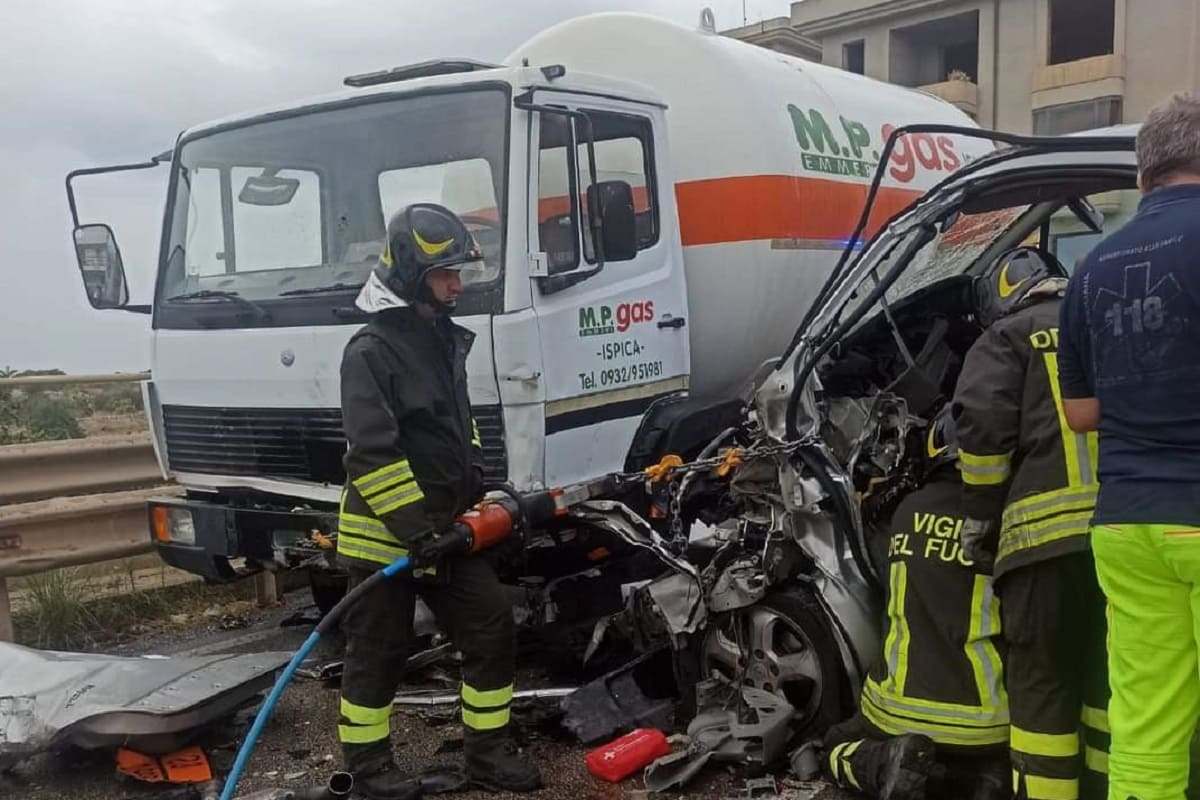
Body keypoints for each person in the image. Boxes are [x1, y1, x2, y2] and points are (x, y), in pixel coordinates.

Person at [334, 204, 541, 799]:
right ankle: (369, 772)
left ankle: (486, 754)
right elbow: (372, 453)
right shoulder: (370, 352)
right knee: (379, 651)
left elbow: (455, 424)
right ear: (409, 275)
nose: (458, 284)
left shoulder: (440, 341)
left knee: (490, 624)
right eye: (446, 274)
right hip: (384, 539)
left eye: (458, 272)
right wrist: (416, 531)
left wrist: (474, 477)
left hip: (446, 531)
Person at [1058, 92, 1200, 800]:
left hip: (1127, 526)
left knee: (1146, 725)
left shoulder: (1091, 268)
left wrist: (1149, 391)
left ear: (1143, 175)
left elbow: (1080, 412)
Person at [953, 246, 1108, 800]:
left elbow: (982, 432)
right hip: (1123, 538)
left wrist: (980, 520)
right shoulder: (1107, 320)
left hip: (1040, 546)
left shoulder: (1005, 337)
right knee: (1110, 683)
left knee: (1042, 685)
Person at [824, 407, 1009, 800]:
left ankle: (884, 763)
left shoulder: (905, 513)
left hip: (897, 712)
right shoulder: (1006, 517)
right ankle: (975, 781)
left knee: (833, 745)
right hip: (987, 723)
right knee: (979, 758)